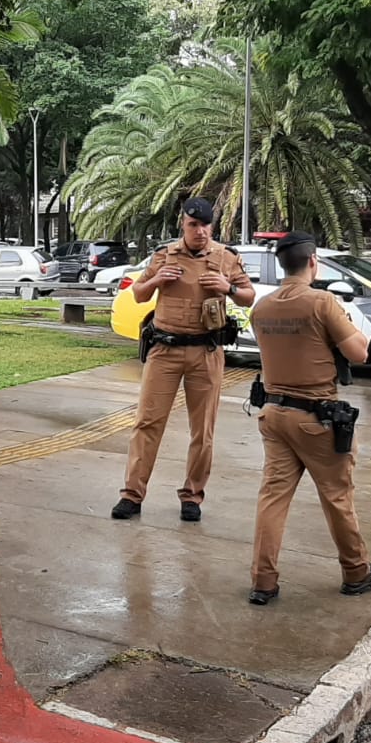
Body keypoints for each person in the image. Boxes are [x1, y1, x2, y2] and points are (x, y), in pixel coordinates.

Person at [247, 231, 371, 605]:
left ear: (282, 264)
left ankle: (263, 581)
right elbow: (359, 353)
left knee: (272, 499)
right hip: (317, 419)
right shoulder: (322, 302)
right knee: (337, 495)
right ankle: (356, 571)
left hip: (274, 414)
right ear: (313, 262)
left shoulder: (261, 308)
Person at [112, 197, 254, 523]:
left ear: (212, 227)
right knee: (147, 423)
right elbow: (139, 294)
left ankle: (192, 497)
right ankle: (132, 495)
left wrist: (227, 287)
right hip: (165, 351)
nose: (200, 232)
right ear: (183, 224)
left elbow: (248, 297)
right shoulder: (164, 254)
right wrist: (158, 280)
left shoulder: (226, 258)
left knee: (202, 430)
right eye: (194, 225)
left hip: (206, 352)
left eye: (206, 226)